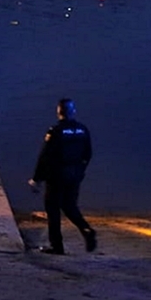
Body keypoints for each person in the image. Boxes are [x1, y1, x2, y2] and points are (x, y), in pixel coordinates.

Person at [28, 98, 97, 255]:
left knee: (53, 210)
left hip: (56, 177)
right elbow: (88, 154)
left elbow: (45, 156)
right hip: (74, 176)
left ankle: (56, 246)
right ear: (73, 112)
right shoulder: (83, 130)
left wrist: (36, 179)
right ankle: (86, 230)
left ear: (59, 112)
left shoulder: (55, 131)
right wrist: (80, 171)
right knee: (70, 206)